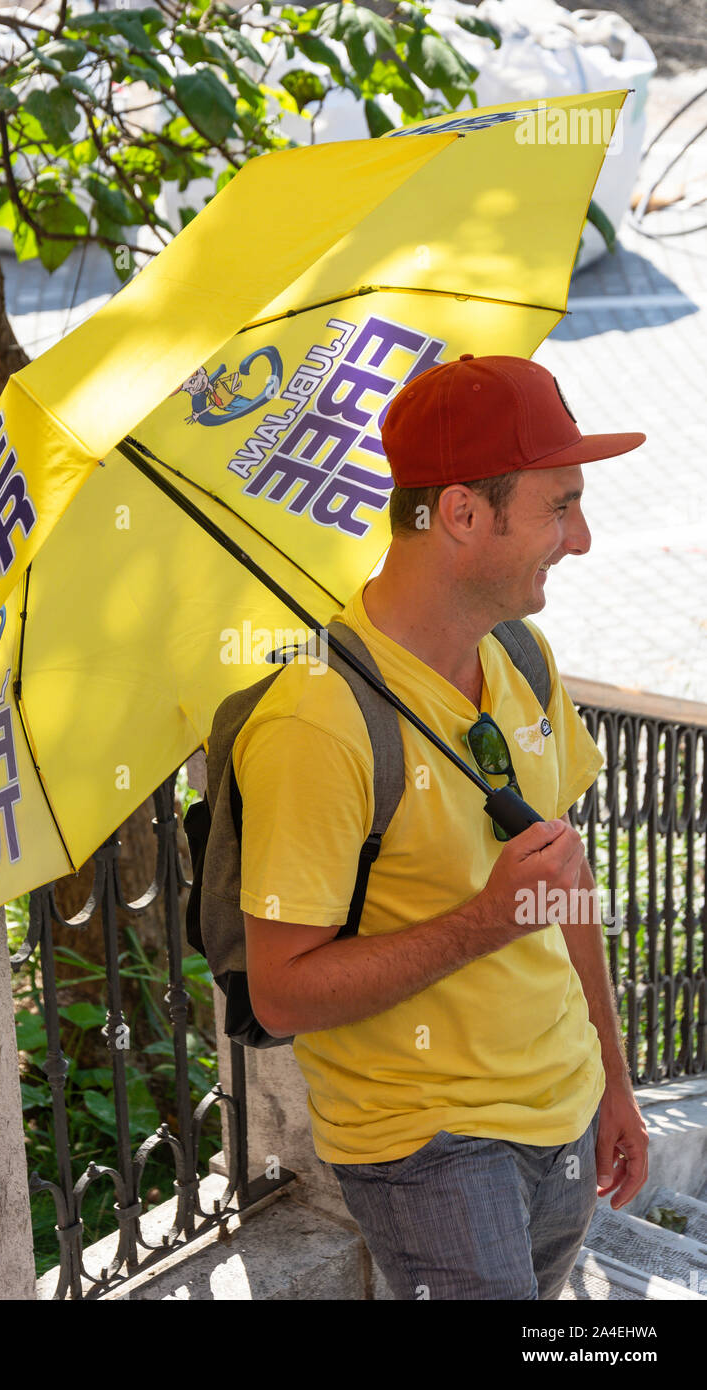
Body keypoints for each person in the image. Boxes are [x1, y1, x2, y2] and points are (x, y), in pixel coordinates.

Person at [233, 353, 651, 1300]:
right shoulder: (316, 722)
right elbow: (283, 993)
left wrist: (613, 1083)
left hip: (565, 1110)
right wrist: (482, 923)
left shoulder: (521, 653)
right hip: (432, 1148)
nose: (580, 538)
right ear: (462, 514)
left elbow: (564, 883)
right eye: (559, 506)